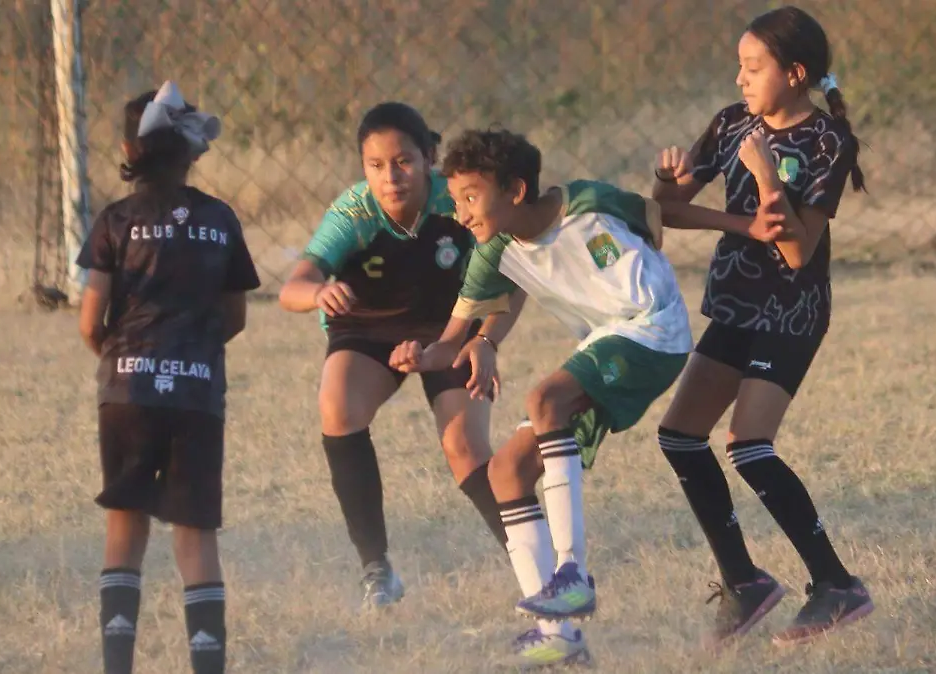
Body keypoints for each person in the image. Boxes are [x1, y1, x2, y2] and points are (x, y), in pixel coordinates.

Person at [389, 128, 768, 668]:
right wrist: (422, 355)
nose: (462, 212)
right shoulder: (494, 249)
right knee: (506, 473)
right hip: (606, 343)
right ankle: (560, 635)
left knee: (546, 398)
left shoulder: (589, 200)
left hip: (653, 329)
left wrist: (745, 225)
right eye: (456, 201)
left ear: (515, 190)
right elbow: (451, 340)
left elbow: (665, 215)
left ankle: (572, 573)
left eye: (471, 197)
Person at [649, 4, 875, 648]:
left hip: (791, 311)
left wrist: (767, 177)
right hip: (736, 303)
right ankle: (744, 582)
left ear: (796, 73)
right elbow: (667, 212)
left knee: (749, 444)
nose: (741, 78)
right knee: (679, 437)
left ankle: (836, 586)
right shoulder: (731, 124)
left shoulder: (830, 141)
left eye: (754, 67)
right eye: (739, 66)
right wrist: (670, 186)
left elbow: (799, 251)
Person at [278, 102, 526, 610]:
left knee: (465, 446)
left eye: (404, 162)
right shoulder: (354, 211)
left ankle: (532, 563)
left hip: (450, 328)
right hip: (368, 329)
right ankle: (377, 569)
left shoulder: (456, 198)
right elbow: (293, 287)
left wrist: (488, 342)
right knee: (338, 407)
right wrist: (318, 293)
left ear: (430, 157)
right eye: (375, 165)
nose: (390, 177)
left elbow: (515, 268)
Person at [74, 81, 260, 674]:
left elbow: (88, 320)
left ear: (129, 154)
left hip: (127, 387)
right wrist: (194, 354)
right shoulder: (220, 219)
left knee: (125, 527)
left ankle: (116, 666)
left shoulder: (114, 220)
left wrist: (123, 359)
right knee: (195, 533)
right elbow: (234, 317)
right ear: (193, 152)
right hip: (197, 393)